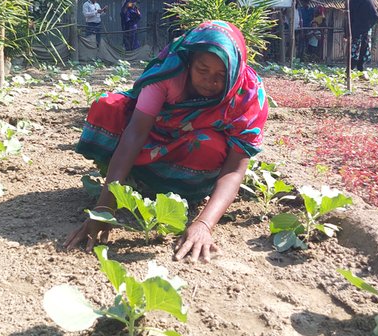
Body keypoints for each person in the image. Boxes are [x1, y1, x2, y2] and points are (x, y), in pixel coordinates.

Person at [65, 21, 269, 263]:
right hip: (152, 142)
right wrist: (105, 207)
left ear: (235, 71)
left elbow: (235, 169)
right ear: (189, 62)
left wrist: (204, 224)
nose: (210, 81)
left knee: (207, 143)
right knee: (109, 107)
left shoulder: (246, 95)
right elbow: (134, 134)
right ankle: (135, 180)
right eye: (202, 70)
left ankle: (185, 191)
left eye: (221, 75)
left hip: (196, 159)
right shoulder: (168, 73)